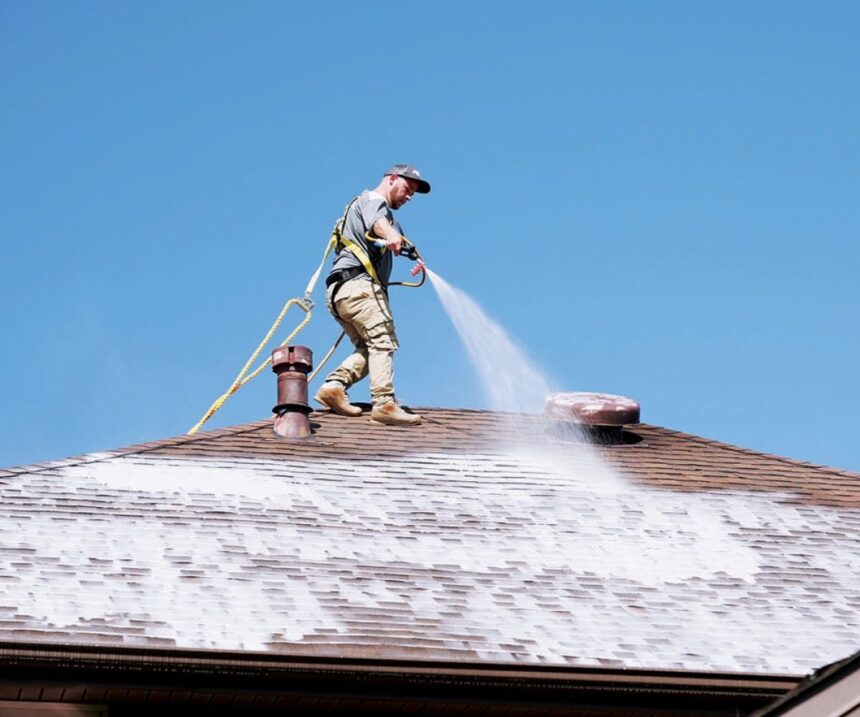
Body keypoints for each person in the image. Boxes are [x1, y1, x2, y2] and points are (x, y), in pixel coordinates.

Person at [314, 164, 431, 426]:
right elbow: (378, 224)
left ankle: (334, 386)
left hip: (342, 292)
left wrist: (411, 253)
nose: (409, 196)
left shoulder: (381, 213)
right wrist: (390, 234)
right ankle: (384, 403)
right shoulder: (373, 201)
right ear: (391, 179)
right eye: (407, 189)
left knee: (370, 348)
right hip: (358, 287)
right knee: (383, 340)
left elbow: (389, 233)